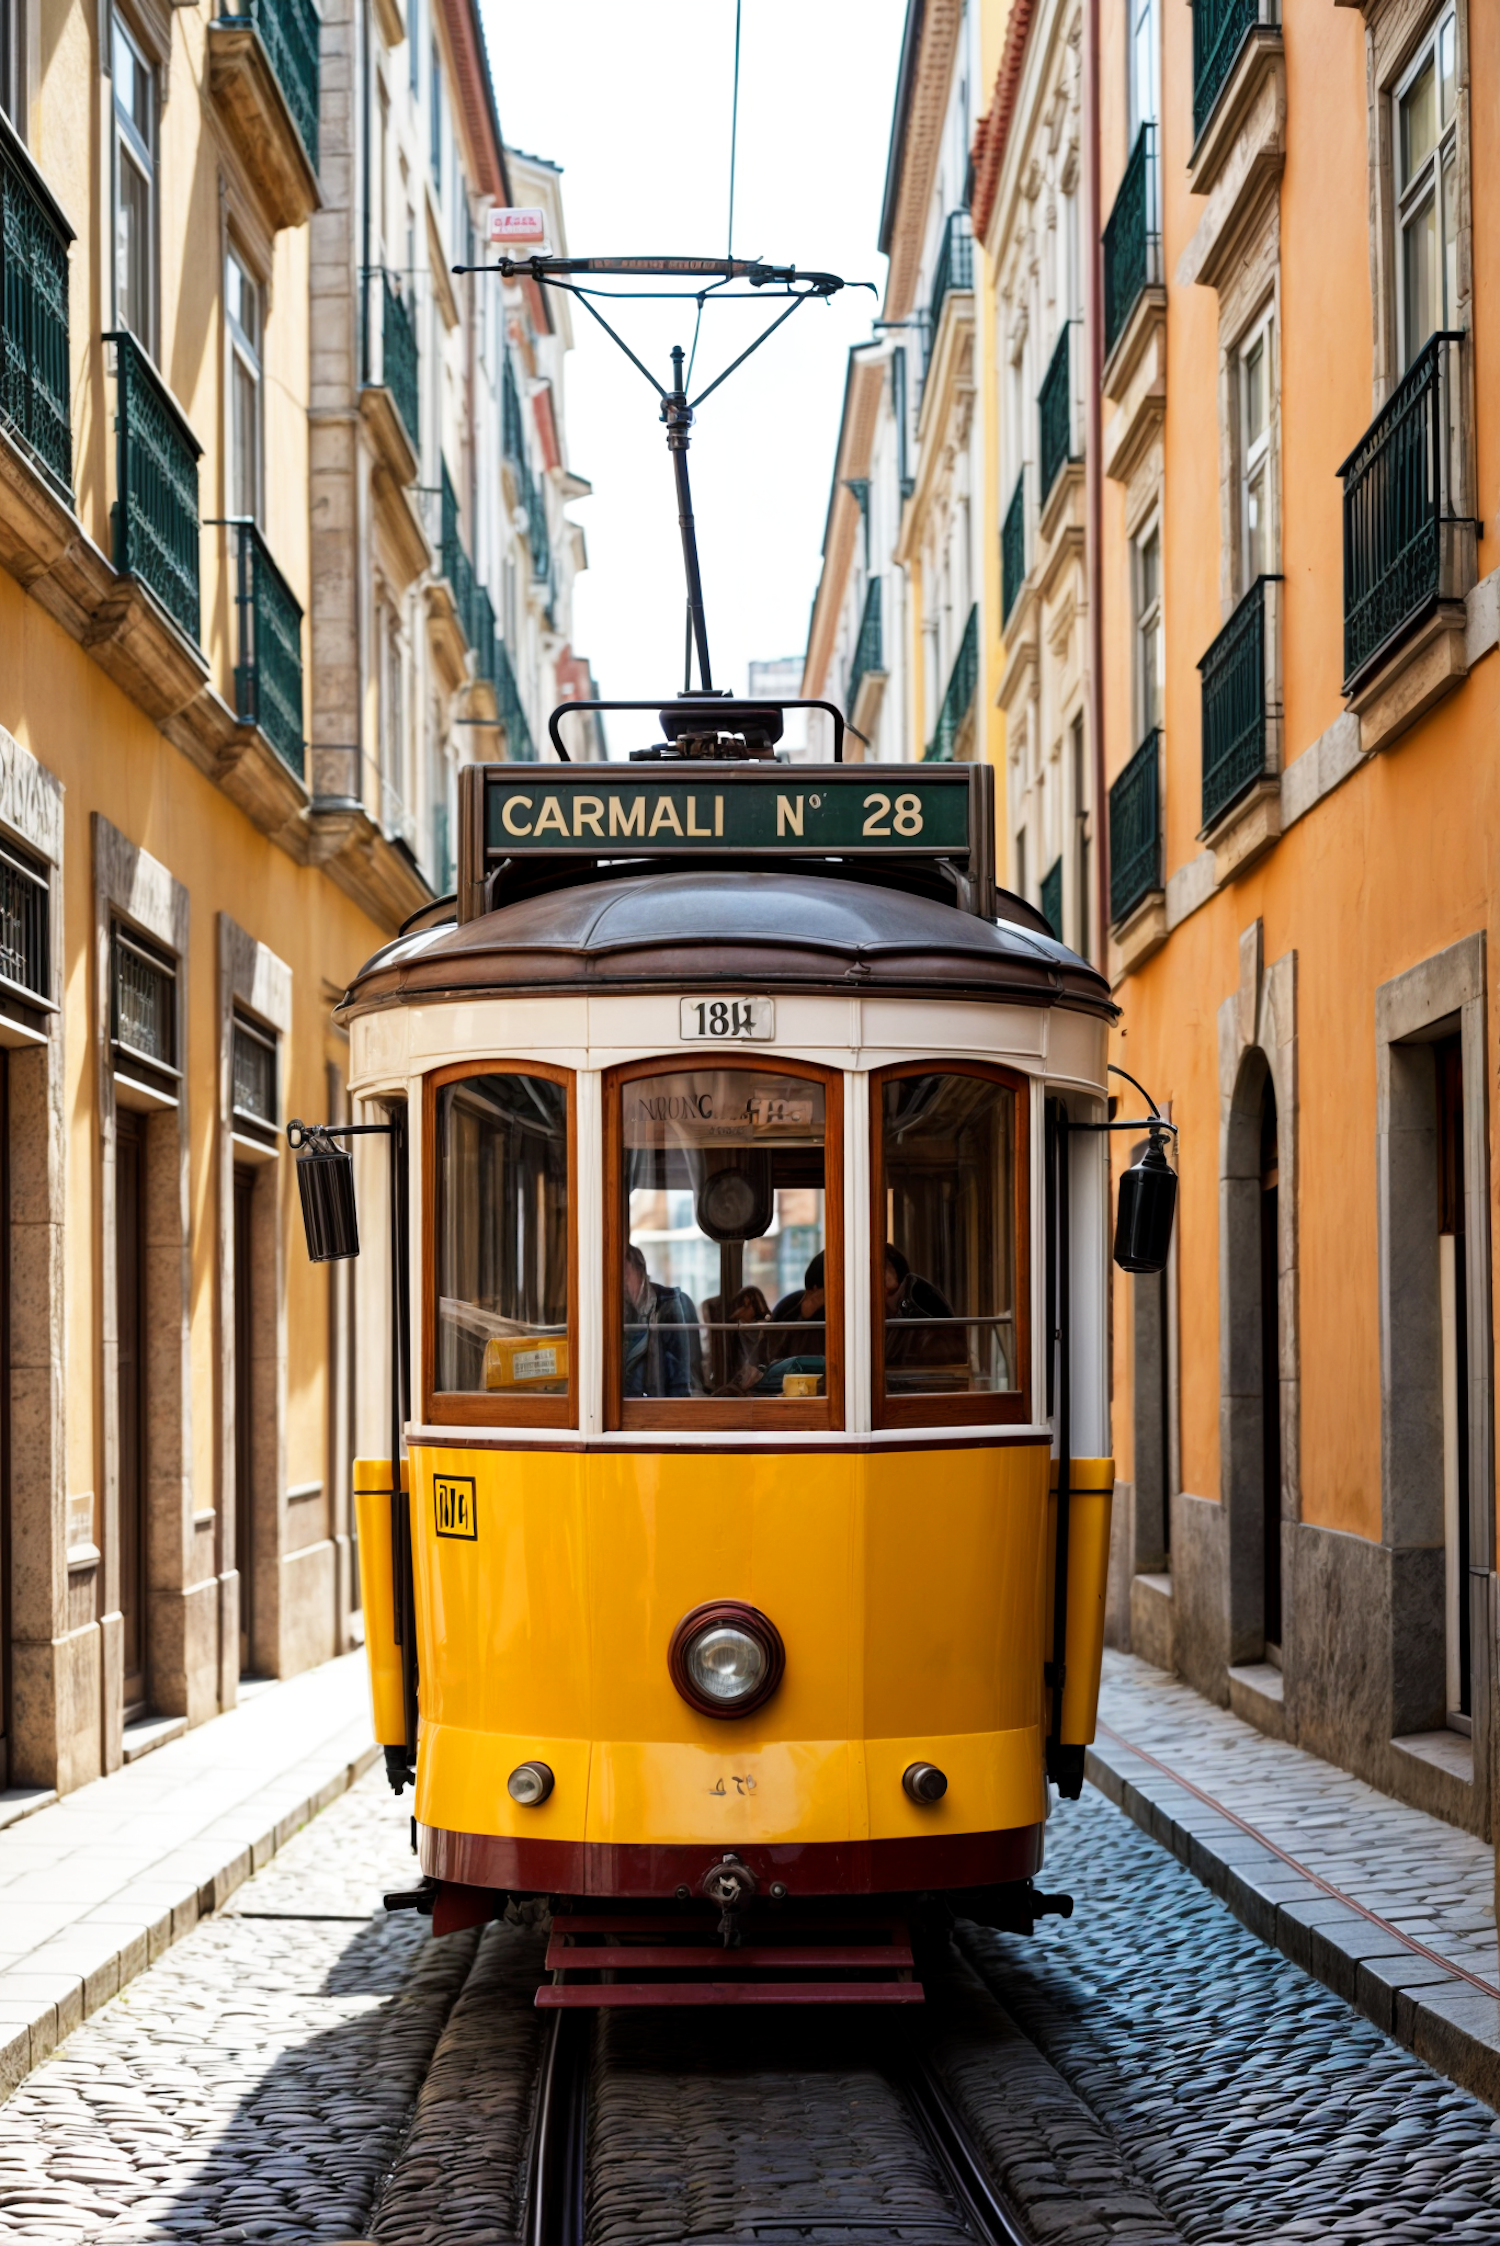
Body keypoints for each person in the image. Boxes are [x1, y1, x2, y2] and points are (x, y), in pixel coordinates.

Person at [622, 1243, 698, 1397]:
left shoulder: (666, 1304)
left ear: (640, 1272)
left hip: (656, 1403)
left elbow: (679, 1376)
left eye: (626, 1274)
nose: (622, 1283)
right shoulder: (619, 1307)